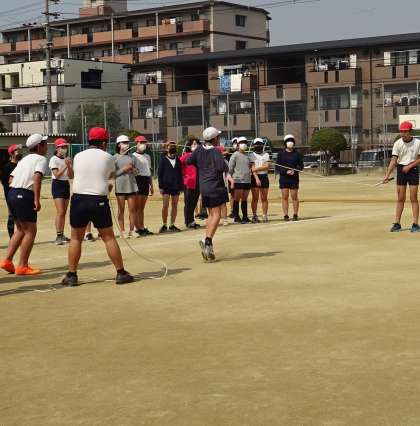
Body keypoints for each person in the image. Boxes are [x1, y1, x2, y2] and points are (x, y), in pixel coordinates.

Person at [61, 127, 133, 286]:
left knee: (76, 238)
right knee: (108, 237)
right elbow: (110, 175)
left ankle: (71, 275)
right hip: (98, 199)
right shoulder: (108, 157)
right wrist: (122, 170)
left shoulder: (78, 156)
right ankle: (121, 273)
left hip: (78, 199)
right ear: (104, 143)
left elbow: (78, 174)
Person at [0, 134, 48, 275]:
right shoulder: (41, 159)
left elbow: (11, 179)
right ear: (39, 146)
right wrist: (36, 199)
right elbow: (37, 178)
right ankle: (22, 265)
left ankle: (7, 260)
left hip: (12, 193)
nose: (46, 146)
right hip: (24, 194)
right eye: (44, 143)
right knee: (30, 231)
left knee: (20, 229)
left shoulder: (24, 159)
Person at [187, 126, 233, 261]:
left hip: (204, 187)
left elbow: (189, 161)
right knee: (217, 214)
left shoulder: (199, 150)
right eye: (218, 137)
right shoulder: (215, 151)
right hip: (216, 186)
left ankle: (208, 244)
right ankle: (207, 240)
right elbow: (222, 167)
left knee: (211, 214)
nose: (219, 139)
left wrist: (196, 153)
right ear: (214, 139)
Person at [383, 121, 420, 233]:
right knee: (400, 198)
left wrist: (410, 166)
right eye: (401, 131)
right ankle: (397, 223)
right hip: (401, 170)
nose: (403, 133)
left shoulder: (417, 143)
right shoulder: (397, 143)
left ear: (410, 131)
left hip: (413, 170)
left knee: (413, 198)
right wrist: (387, 175)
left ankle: (415, 224)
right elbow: (393, 160)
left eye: (405, 131)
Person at [114, 134, 139, 239]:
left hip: (132, 186)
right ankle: (122, 231)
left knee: (132, 209)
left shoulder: (133, 157)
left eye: (127, 142)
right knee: (121, 210)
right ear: (119, 145)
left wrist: (133, 170)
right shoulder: (115, 158)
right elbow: (112, 174)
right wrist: (124, 169)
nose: (127, 144)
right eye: (124, 143)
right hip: (120, 187)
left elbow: (137, 172)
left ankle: (132, 230)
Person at [49, 138, 73, 245]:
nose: (65, 149)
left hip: (65, 184)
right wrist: (65, 166)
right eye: (62, 147)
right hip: (57, 185)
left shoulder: (66, 160)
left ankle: (62, 234)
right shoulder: (53, 159)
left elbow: (71, 176)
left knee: (64, 212)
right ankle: (58, 236)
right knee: (60, 211)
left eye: (66, 147)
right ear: (57, 148)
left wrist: (69, 166)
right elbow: (57, 175)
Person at [276, 134, 303, 221]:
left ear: (294, 142)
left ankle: (295, 214)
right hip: (284, 178)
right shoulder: (281, 154)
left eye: (291, 141)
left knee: (294, 196)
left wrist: (295, 170)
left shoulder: (297, 154)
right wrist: (285, 171)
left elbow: (301, 166)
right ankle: (286, 215)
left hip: (294, 178)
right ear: (285, 143)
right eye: (288, 141)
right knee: (285, 196)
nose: (290, 142)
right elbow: (277, 167)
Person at [158, 140, 183, 233]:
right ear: (166, 148)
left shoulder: (178, 160)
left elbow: (180, 173)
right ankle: (164, 225)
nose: (172, 147)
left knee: (175, 205)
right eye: (170, 145)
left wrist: (181, 186)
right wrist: (160, 186)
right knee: (165, 206)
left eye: (173, 145)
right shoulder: (163, 160)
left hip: (176, 186)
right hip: (166, 186)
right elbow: (159, 174)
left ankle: (172, 225)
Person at [132, 135, 154, 236]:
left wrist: (151, 185)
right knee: (136, 207)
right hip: (138, 180)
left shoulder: (148, 156)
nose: (143, 144)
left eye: (144, 142)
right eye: (141, 142)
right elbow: (132, 170)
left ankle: (142, 226)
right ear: (136, 144)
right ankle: (137, 227)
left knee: (141, 207)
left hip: (145, 180)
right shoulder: (133, 156)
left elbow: (149, 172)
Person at [0, 144, 23, 238]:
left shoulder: (22, 165)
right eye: (17, 151)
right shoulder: (6, 167)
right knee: (12, 215)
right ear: (11, 154)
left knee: (22, 215)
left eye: (20, 150)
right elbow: (5, 183)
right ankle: (12, 238)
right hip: (11, 194)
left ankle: (21, 236)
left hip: (23, 193)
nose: (20, 152)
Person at [229, 136, 252, 224]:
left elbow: (250, 166)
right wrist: (231, 180)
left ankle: (245, 217)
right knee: (237, 199)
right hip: (238, 180)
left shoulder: (247, 155)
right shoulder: (234, 155)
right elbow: (230, 169)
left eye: (245, 142)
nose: (244, 144)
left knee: (244, 199)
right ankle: (236, 217)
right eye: (242, 142)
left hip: (247, 180)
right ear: (238, 145)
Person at [180, 138, 201, 229]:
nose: (196, 146)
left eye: (197, 144)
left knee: (194, 203)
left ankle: (191, 220)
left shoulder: (200, 156)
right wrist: (183, 175)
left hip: (198, 183)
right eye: (194, 144)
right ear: (190, 146)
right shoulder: (186, 155)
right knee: (188, 203)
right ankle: (188, 221)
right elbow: (179, 163)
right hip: (188, 182)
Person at [250, 137, 270, 223]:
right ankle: (254, 215)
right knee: (255, 198)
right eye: (256, 144)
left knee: (264, 198)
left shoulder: (266, 155)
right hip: (255, 177)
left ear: (262, 145)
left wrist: (257, 169)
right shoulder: (251, 155)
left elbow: (267, 166)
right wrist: (256, 178)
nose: (258, 145)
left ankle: (264, 215)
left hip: (264, 176)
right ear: (254, 145)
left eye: (260, 144)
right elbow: (252, 168)